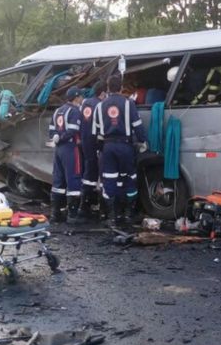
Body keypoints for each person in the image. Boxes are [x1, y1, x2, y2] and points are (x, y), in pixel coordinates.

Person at [92, 75, 147, 230]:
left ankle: (112, 216)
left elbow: (96, 132)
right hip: (125, 146)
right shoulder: (129, 103)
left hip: (108, 147)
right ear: (121, 86)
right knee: (130, 178)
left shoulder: (99, 106)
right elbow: (137, 125)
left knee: (109, 180)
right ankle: (128, 214)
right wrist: (143, 141)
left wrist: (100, 148)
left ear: (108, 87)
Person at [48, 87, 85, 224]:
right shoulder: (74, 111)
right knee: (73, 179)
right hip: (70, 148)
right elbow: (73, 130)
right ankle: (72, 216)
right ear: (76, 97)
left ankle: (55, 214)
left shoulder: (58, 111)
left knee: (58, 180)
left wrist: (56, 137)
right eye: (81, 96)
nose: (82, 99)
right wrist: (63, 137)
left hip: (58, 149)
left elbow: (51, 130)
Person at [78, 80, 107, 220]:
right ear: (102, 93)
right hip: (96, 142)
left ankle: (85, 204)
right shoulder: (101, 105)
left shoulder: (84, 103)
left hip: (84, 141)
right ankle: (101, 208)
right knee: (100, 174)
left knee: (88, 172)